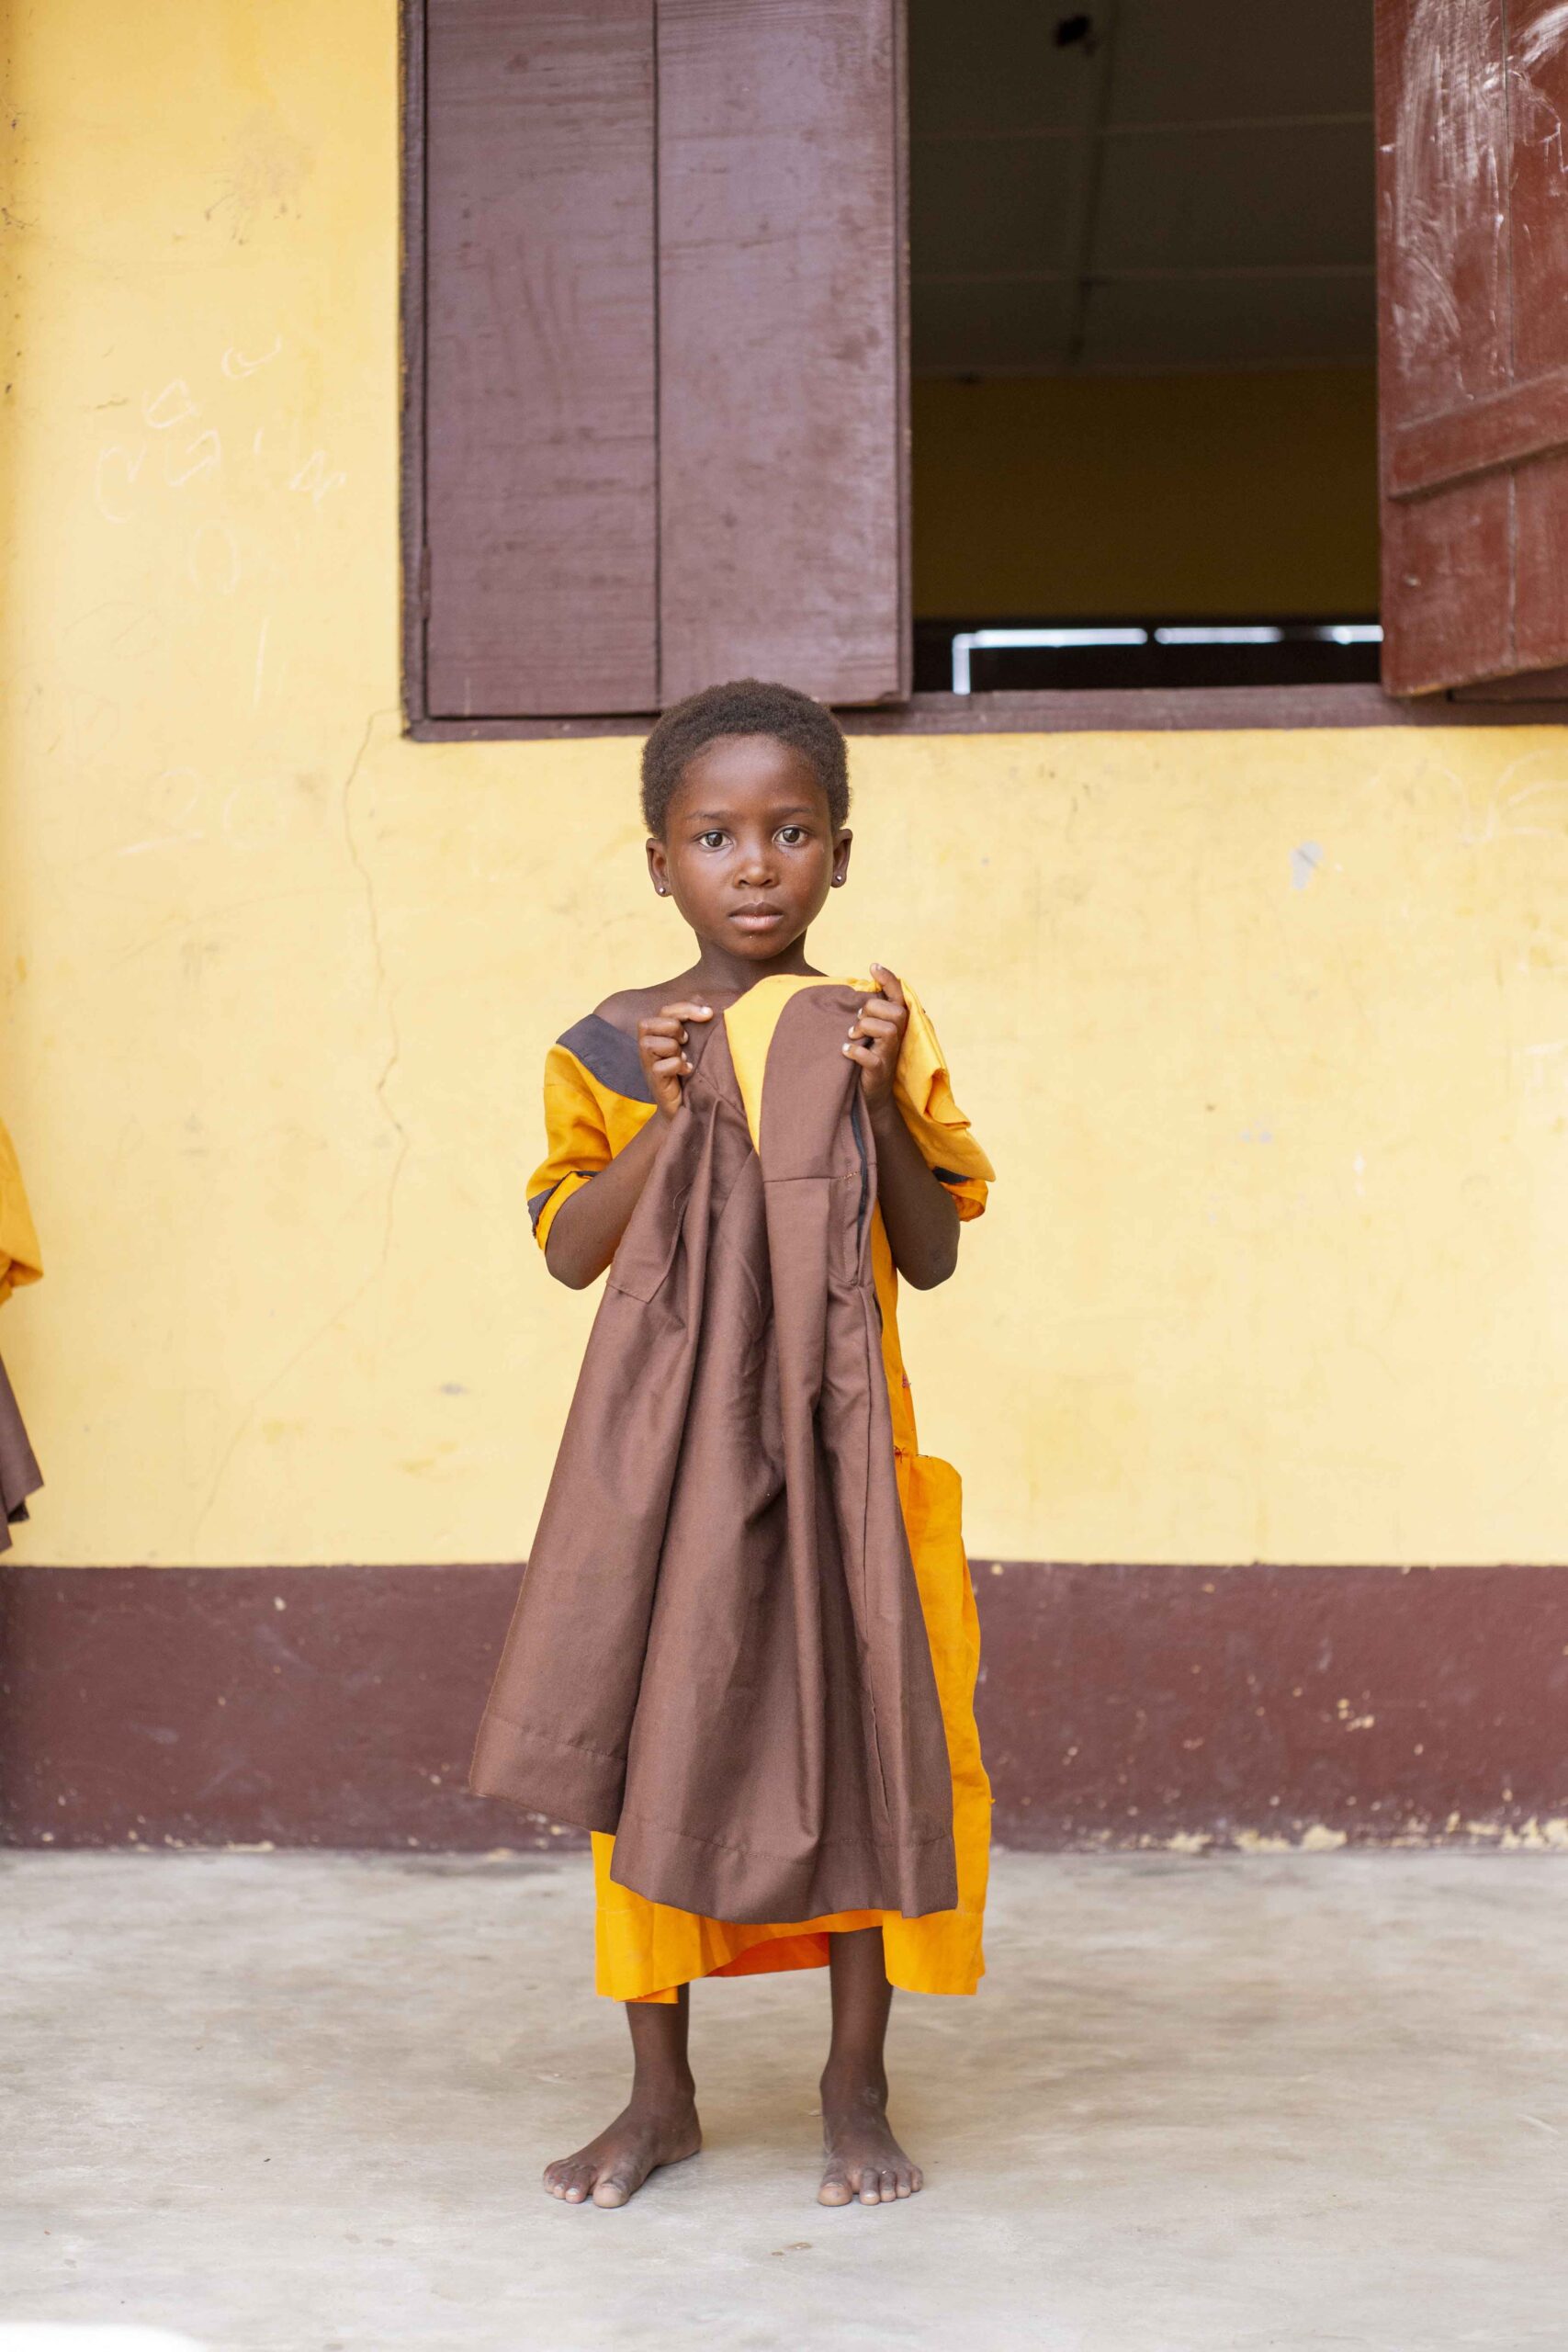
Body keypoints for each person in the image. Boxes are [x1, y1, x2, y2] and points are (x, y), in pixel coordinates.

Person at [523, 678, 994, 2211]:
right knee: (653, 1750)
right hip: (669, 1477)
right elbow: (569, 1250)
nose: (754, 863)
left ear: (840, 857)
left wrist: (878, 1099)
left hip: (847, 1465)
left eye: (791, 832)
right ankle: (659, 2098)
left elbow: (926, 1254)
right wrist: (666, 1116)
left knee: (863, 1748)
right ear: (658, 861)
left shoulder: (870, 1032)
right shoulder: (611, 1046)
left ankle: (854, 2091)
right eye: (714, 835)